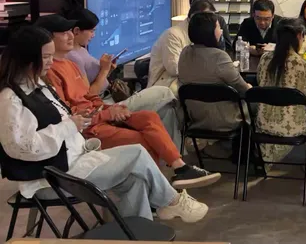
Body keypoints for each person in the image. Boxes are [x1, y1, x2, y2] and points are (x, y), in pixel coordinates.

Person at [0, 27, 209, 223]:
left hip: (73, 161)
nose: (50, 62)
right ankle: (172, 201)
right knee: (137, 152)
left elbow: (67, 114)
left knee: (136, 181)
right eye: (45, 57)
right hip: (51, 179)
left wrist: (76, 120)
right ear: (28, 59)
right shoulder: (11, 99)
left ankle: (138, 235)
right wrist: (69, 125)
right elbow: (23, 147)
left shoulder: (39, 86)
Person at [36, 15, 221, 189]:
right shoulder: (50, 73)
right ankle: (160, 193)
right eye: (64, 33)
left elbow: (89, 96)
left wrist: (110, 108)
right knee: (144, 137)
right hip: (88, 126)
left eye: (70, 31)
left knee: (149, 117)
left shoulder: (70, 64)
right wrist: (106, 112)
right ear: (48, 39)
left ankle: (180, 168)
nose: (70, 36)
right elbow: (69, 113)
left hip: (101, 110)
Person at [65, 8, 181, 146]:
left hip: (110, 97)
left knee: (168, 110)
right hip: (106, 105)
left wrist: (107, 70)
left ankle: (174, 153)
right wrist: (104, 70)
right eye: (91, 31)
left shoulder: (81, 50)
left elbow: (96, 81)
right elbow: (89, 94)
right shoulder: (73, 58)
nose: (93, 35)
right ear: (76, 31)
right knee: (164, 92)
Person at [255, 18, 306, 162]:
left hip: (264, 123)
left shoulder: (265, 59)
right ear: (299, 36)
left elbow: (260, 84)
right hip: (296, 126)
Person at [178, 12, 253, 131]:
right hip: (223, 117)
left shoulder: (185, 53)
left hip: (194, 116)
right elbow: (242, 88)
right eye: (218, 27)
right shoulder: (219, 57)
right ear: (210, 31)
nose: (221, 31)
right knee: (256, 102)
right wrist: (249, 87)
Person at [148, 0, 216, 94]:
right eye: (207, 18)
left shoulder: (200, 34)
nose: (211, 22)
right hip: (166, 85)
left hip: (187, 81)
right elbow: (174, 69)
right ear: (193, 17)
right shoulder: (173, 35)